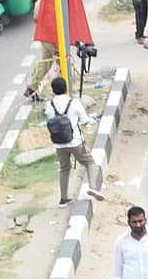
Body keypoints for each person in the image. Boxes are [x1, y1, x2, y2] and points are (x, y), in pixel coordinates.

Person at [44, 77, 105, 207]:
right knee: (90, 162)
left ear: (53, 90)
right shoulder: (74, 102)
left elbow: (50, 119)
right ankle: (92, 187)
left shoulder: (49, 105)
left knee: (64, 168)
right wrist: (91, 121)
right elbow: (84, 120)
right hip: (75, 141)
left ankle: (63, 198)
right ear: (66, 88)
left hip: (59, 143)